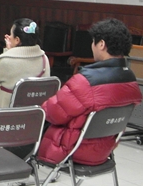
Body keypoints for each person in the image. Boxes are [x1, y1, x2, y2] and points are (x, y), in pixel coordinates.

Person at [38, 19, 142, 166]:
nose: (92, 46)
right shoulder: (131, 80)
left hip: (71, 150)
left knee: (30, 126)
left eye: (93, 42)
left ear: (101, 44)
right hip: (104, 151)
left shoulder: (86, 81)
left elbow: (52, 113)